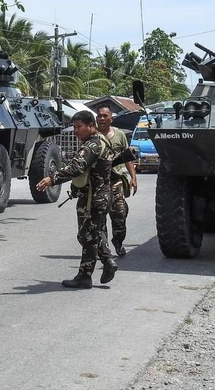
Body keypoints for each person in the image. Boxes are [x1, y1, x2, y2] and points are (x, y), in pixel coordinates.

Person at [35, 111, 118, 289]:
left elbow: (76, 167)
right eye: (74, 127)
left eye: (79, 127)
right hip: (99, 196)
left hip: (93, 198)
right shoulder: (100, 141)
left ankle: (85, 276)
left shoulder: (93, 145)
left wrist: (52, 178)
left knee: (87, 236)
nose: (75, 131)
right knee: (95, 233)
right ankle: (107, 261)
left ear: (91, 125)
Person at [95, 105, 138, 257]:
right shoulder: (92, 135)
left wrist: (133, 177)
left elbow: (128, 158)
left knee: (120, 214)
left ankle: (118, 241)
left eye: (105, 116)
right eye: (99, 116)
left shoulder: (119, 135)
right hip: (98, 183)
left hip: (116, 182)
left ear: (111, 119)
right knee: (99, 218)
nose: (102, 118)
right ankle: (103, 248)